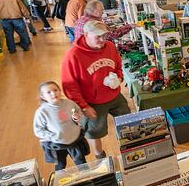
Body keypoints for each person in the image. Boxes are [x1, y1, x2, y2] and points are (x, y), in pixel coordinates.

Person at [61, 20, 130, 159]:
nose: (102, 40)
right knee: (94, 131)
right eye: (97, 36)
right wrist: (83, 107)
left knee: (128, 121)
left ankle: (130, 147)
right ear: (86, 34)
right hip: (92, 102)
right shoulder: (73, 56)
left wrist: (119, 78)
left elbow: (117, 64)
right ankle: (100, 157)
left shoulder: (110, 46)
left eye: (104, 35)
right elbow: (69, 86)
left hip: (115, 96)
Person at [33, 81, 90, 171]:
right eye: (49, 92)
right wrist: (53, 136)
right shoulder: (42, 112)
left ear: (60, 91)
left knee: (81, 163)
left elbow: (80, 115)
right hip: (57, 144)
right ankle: (60, 182)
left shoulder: (69, 103)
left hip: (74, 140)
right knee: (60, 165)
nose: (53, 93)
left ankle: (89, 180)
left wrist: (78, 118)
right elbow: (38, 130)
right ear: (43, 96)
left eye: (55, 90)